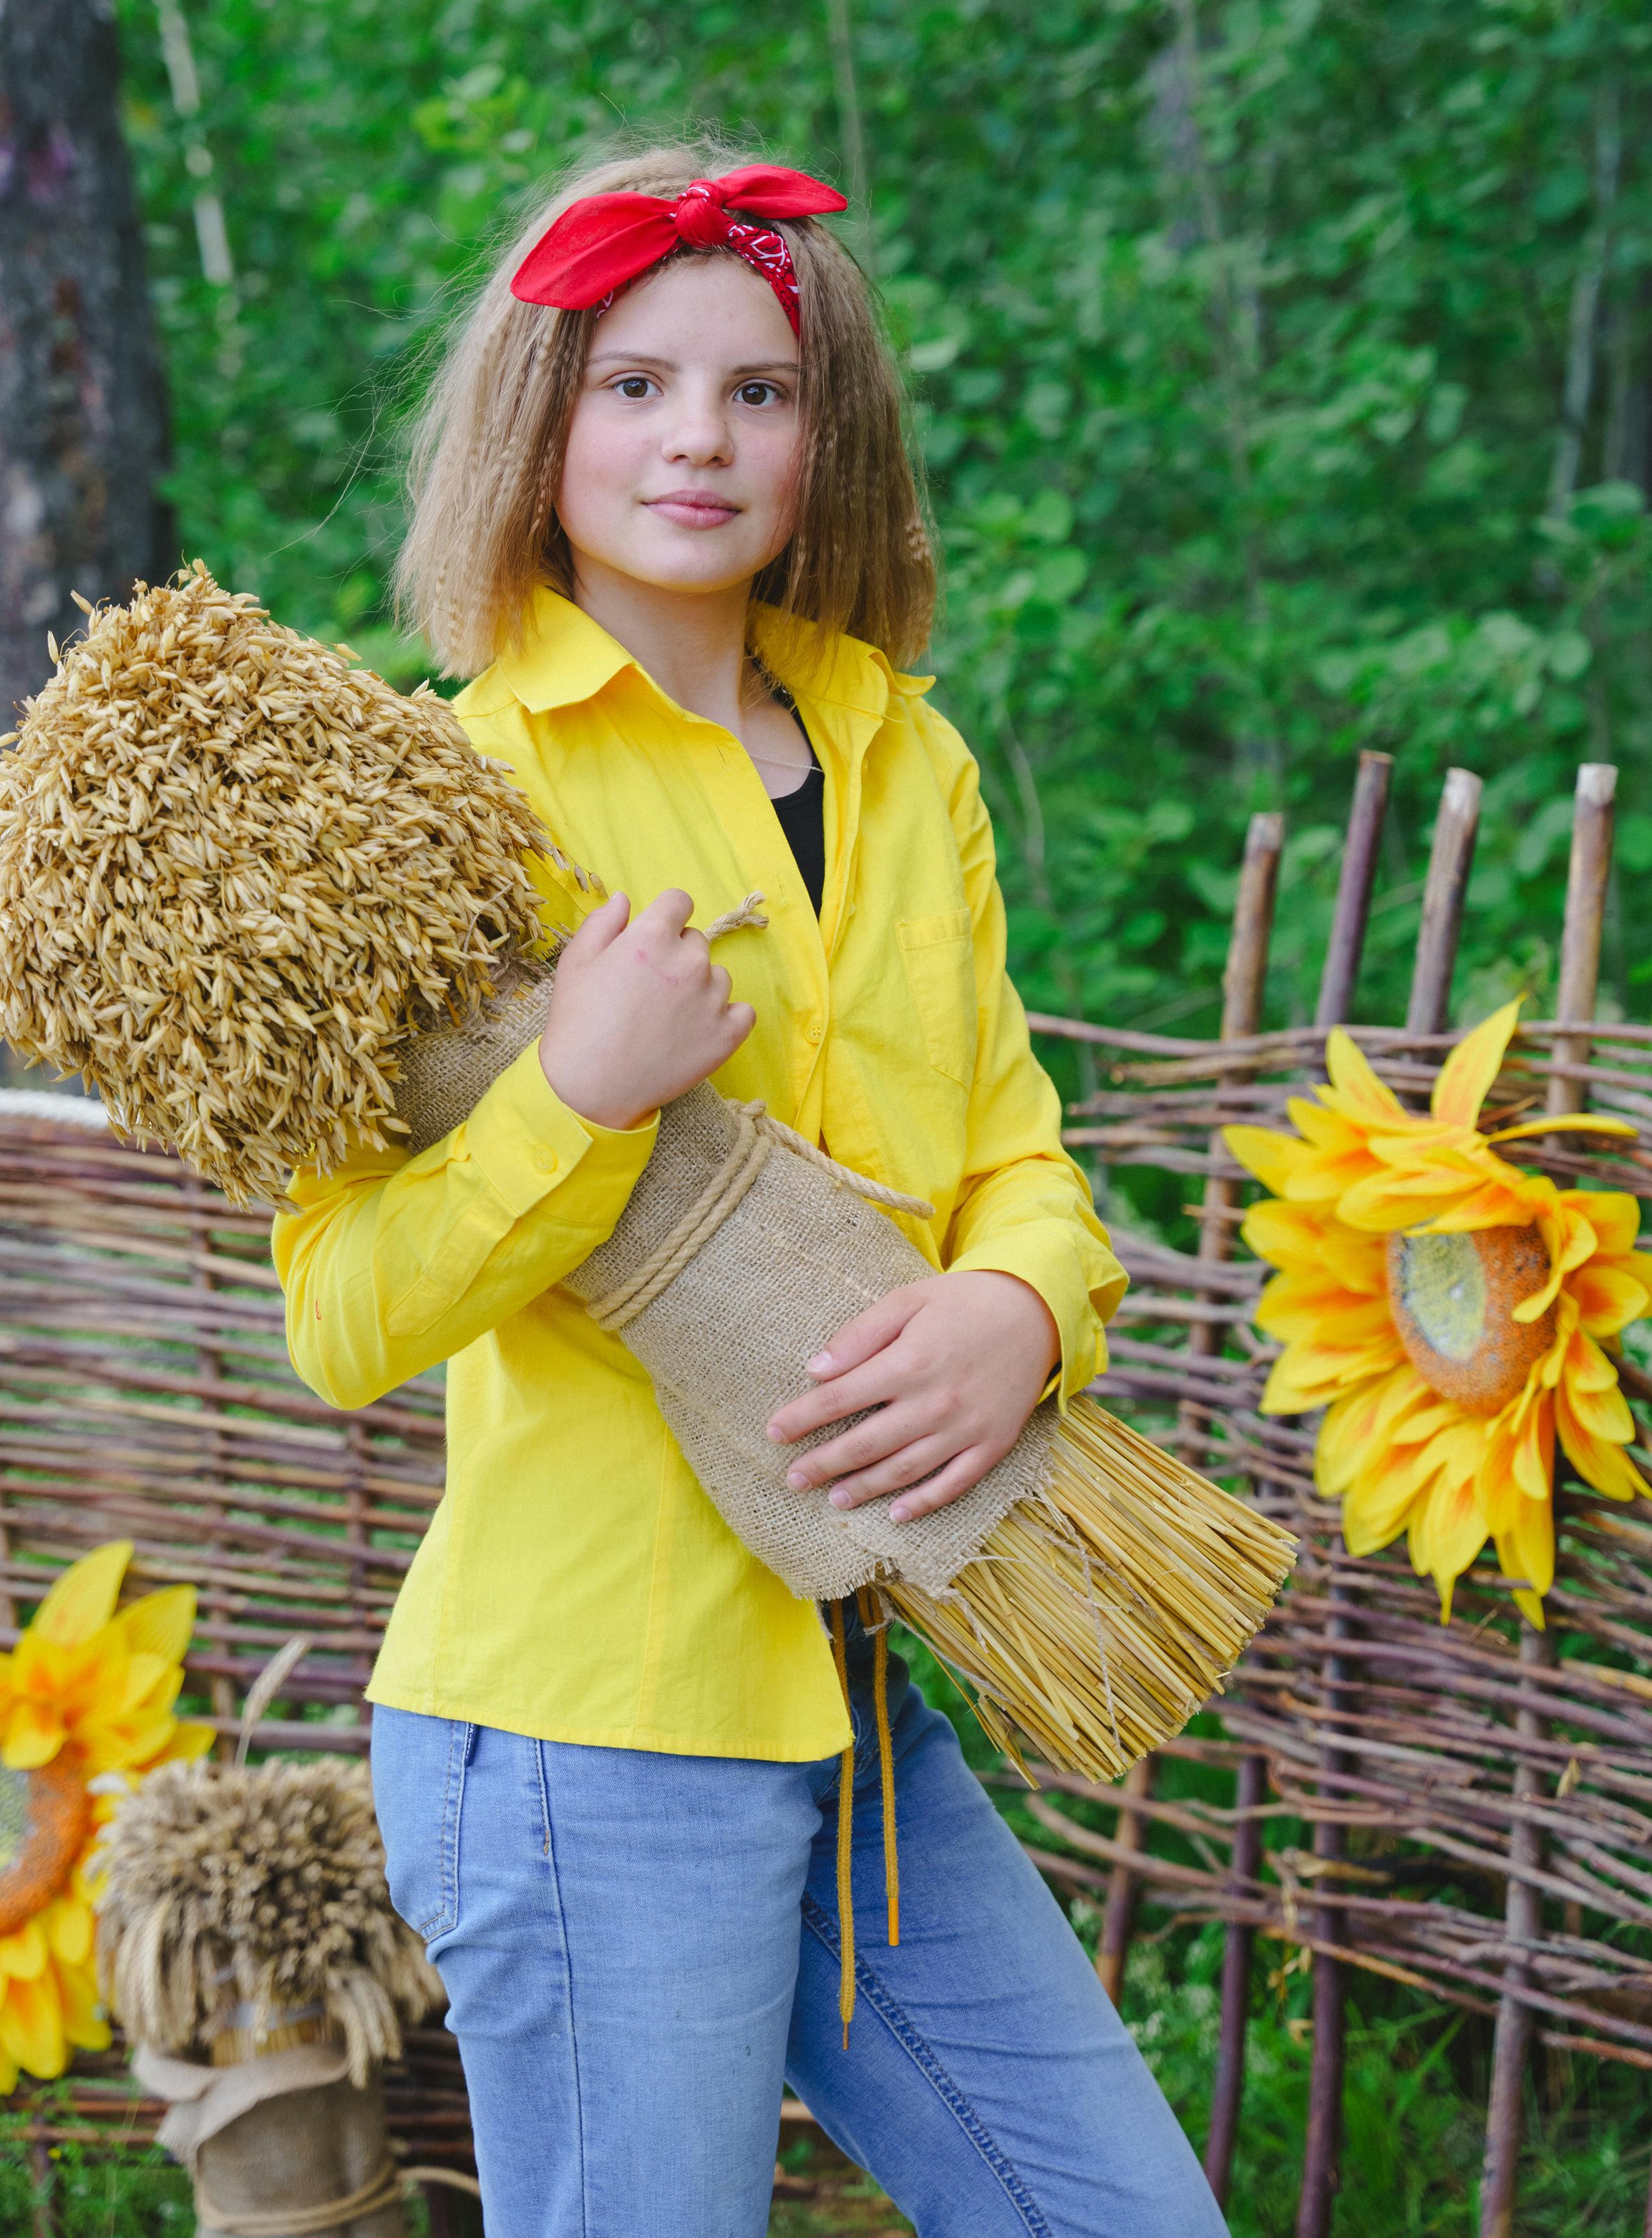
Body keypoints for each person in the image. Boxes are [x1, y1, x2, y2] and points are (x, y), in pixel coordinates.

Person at [275, 143, 1229, 2238]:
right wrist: (577, 1102)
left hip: (869, 1723)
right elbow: (341, 1316)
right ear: (540, 423)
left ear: (829, 437)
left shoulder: (911, 756)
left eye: (758, 391)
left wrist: (1025, 1313)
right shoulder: (445, 804)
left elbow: (1020, 1155)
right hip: (589, 1735)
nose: (697, 435)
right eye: (633, 384)